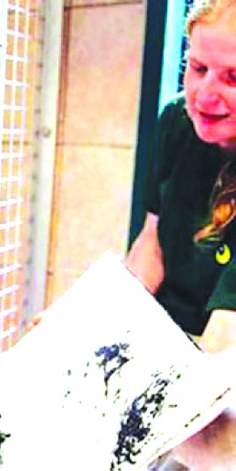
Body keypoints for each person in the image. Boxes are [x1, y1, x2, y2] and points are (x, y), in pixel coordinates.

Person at [125, 0, 236, 468]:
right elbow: (151, 243)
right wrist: (95, 320)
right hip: (174, 333)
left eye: (233, 78)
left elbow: (226, 335)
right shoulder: (177, 121)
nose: (204, 95)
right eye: (198, 68)